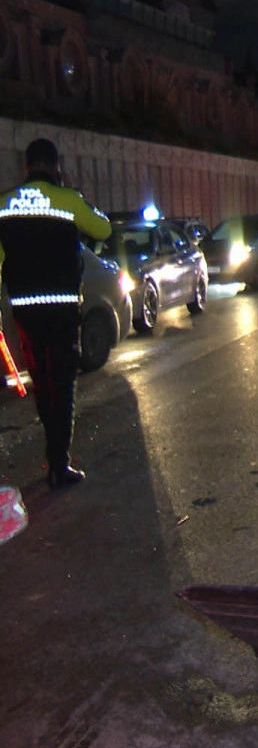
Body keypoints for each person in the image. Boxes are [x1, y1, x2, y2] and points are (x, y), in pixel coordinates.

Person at [0, 138, 112, 488]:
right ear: (55, 166)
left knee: (42, 382)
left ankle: (53, 452)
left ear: (27, 166)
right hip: (62, 309)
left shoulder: (4, 203)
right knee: (62, 384)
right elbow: (103, 229)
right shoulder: (67, 200)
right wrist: (74, 198)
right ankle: (58, 463)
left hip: (25, 311)